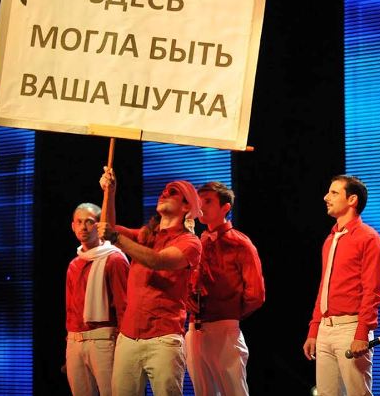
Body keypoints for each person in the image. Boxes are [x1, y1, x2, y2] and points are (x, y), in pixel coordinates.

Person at [97, 168, 202, 396]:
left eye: (172, 192)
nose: (164, 193)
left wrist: (115, 237)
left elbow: (157, 261)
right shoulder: (145, 235)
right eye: (164, 191)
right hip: (129, 337)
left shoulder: (190, 242)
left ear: (186, 206)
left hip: (163, 340)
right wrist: (109, 193)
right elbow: (108, 230)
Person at [302, 175, 380, 396]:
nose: (326, 197)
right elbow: (324, 287)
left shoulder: (369, 238)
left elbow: (372, 290)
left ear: (352, 200)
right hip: (325, 329)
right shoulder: (330, 239)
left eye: (334, 193)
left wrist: (361, 332)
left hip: (351, 328)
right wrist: (314, 329)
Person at [185, 181, 266, 396]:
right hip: (194, 328)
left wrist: (228, 313)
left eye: (208, 201)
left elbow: (256, 294)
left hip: (224, 328)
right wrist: (187, 298)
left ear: (225, 208)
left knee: (234, 391)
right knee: (202, 391)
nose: (201, 206)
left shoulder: (240, 243)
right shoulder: (198, 242)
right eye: (199, 201)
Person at [65, 202, 129, 396]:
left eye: (89, 222)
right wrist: (70, 346)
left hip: (104, 340)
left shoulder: (114, 259)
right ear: (73, 226)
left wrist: (124, 348)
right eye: (79, 222)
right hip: (75, 342)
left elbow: (124, 307)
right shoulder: (74, 264)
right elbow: (70, 310)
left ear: (99, 225)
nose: (83, 227)